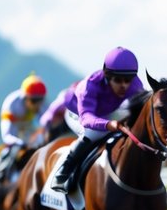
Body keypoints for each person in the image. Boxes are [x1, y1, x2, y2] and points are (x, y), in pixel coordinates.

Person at [51, 47, 145, 193]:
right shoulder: (89, 86)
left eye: (128, 80)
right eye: (118, 80)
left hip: (104, 112)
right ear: (107, 75)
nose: (124, 85)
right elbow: (87, 119)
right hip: (76, 112)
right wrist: (108, 124)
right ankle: (62, 173)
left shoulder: (136, 85)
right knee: (93, 133)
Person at [0, 73, 49, 184]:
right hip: (14, 128)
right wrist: (21, 143)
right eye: (34, 101)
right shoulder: (12, 104)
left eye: (40, 100)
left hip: (28, 128)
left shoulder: (42, 104)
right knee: (15, 149)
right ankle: (0, 175)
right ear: (25, 98)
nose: (38, 105)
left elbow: (45, 127)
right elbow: (7, 136)